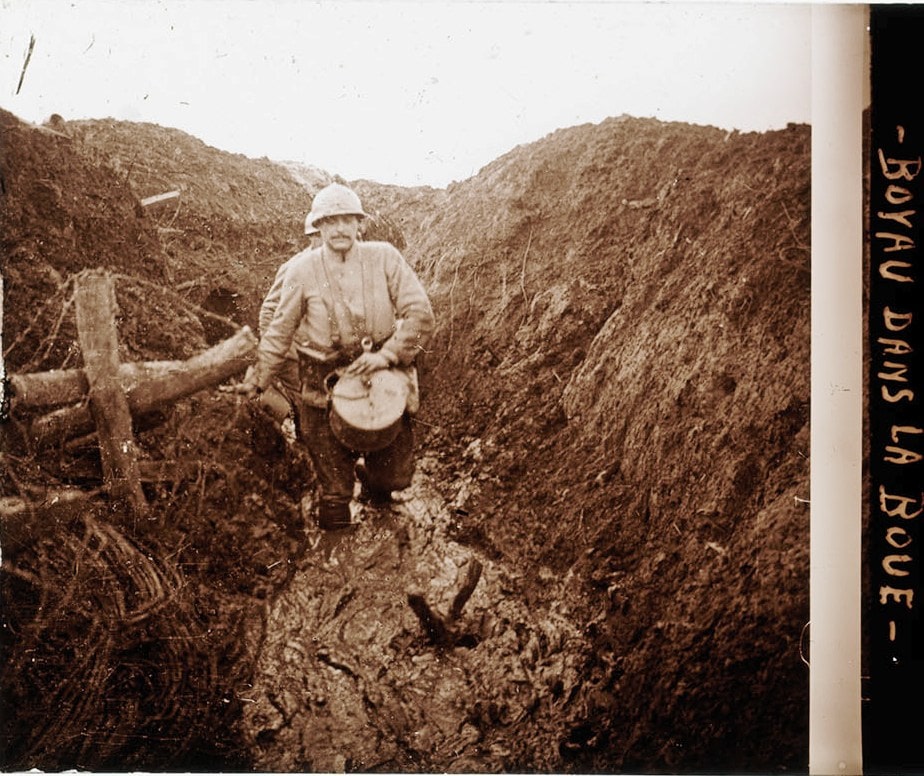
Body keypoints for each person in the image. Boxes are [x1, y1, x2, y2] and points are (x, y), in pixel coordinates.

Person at [241, 183, 434, 530]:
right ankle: (337, 541)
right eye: (332, 221)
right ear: (319, 227)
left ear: (360, 224)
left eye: (348, 220)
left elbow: (420, 313)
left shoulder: (385, 257)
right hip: (321, 377)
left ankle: (376, 489)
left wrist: (387, 355)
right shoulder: (301, 270)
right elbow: (278, 331)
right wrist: (257, 381)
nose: (341, 228)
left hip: (381, 372)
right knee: (333, 491)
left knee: (392, 477)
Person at [249, 218, 324, 431]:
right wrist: (279, 351)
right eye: (320, 236)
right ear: (313, 237)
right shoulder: (296, 267)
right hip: (292, 354)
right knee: (308, 402)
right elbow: (268, 311)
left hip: (313, 353)